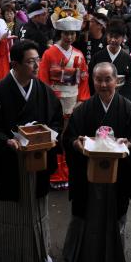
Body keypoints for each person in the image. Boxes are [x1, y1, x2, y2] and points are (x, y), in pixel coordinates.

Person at [0, 40, 63, 262]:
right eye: (30, 62)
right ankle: (8, 258)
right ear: (15, 64)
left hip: (37, 158)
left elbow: (56, 119)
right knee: (11, 209)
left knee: (37, 207)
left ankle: (41, 253)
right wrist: (5, 141)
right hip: (10, 161)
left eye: (38, 60)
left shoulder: (44, 91)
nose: (37, 66)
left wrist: (50, 137)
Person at [62, 62, 131, 262]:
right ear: (92, 80)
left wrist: (128, 145)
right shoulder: (83, 110)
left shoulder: (129, 109)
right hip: (88, 178)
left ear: (117, 81)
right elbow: (69, 137)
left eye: (107, 79)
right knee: (86, 217)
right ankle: (82, 260)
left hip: (117, 178)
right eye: (98, 79)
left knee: (115, 218)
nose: (102, 84)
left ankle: (113, 261)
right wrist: (76, 143)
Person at [38, 15, 90, 189]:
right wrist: (47, 99)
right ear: (60, 33)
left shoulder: (79, 54)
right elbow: (43, 77)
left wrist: (82, 99)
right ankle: (54, 173)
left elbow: (83, 78)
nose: (69, 37)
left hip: (73, 99)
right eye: (66, 33)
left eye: (73, 34)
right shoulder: (49, 53)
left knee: (69, 136)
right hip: (54, 99)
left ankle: (67, 172)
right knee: (55, 136)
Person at [88, 19, 131, 102]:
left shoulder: (128, 59)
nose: (113, 40)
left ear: (123, 37)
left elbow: (130, 83)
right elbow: (91, 79)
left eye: (116, 37)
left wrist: (124, 100)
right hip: (100, 98)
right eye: (110, 36)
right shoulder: (97, 57)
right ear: (107, 35)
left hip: (121, 100)